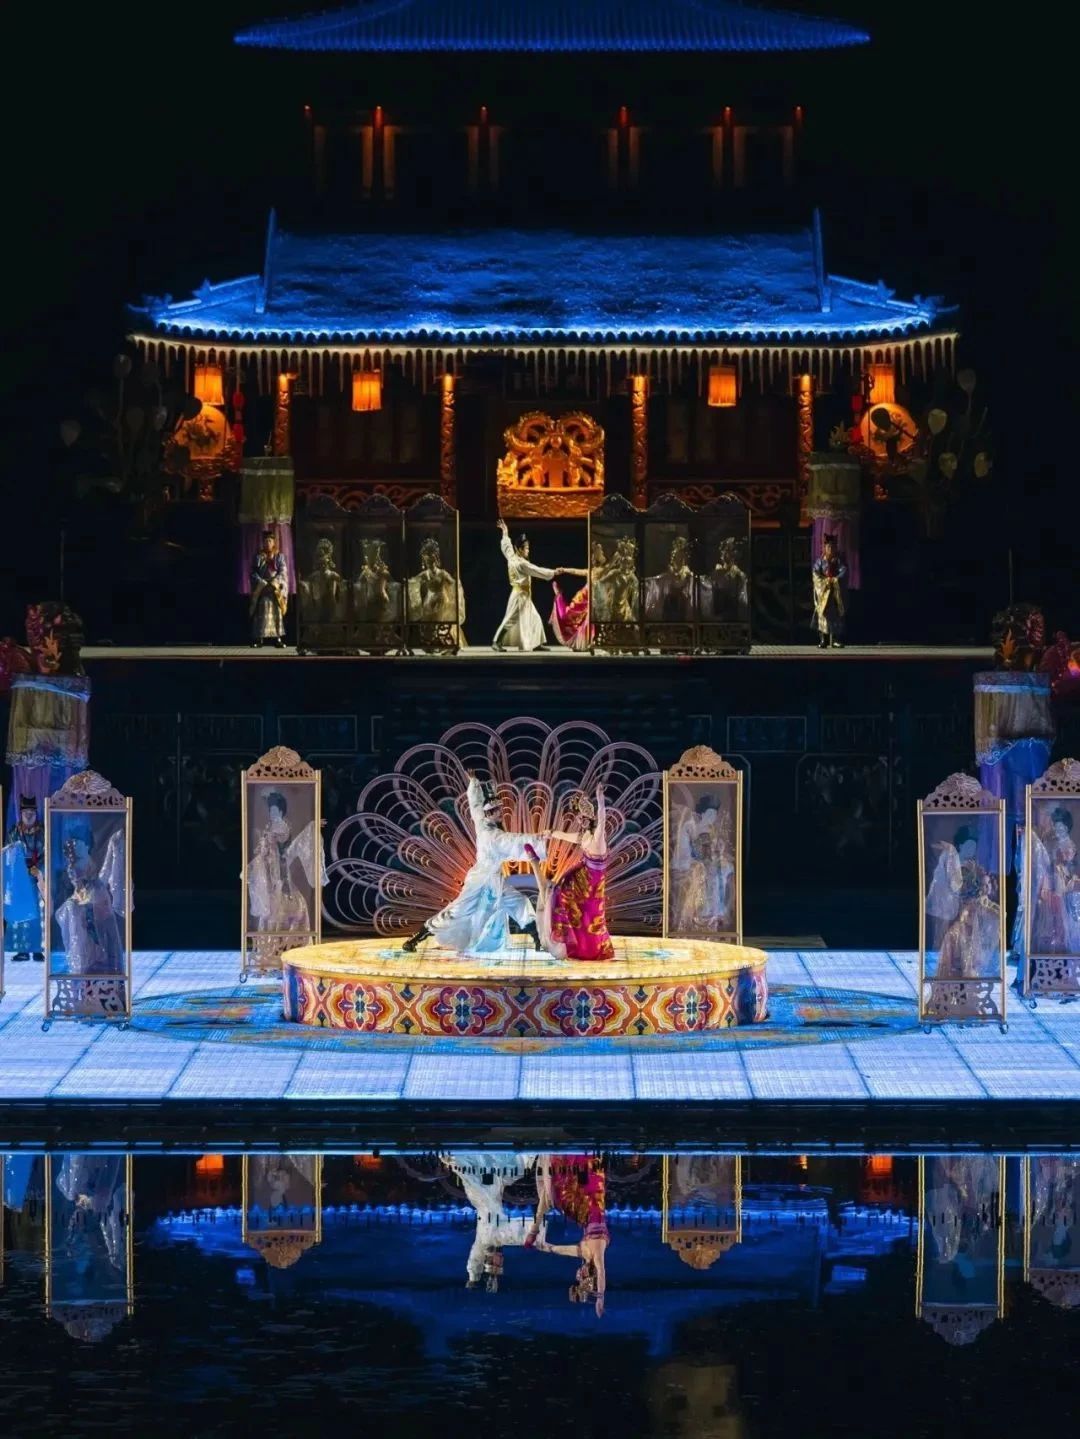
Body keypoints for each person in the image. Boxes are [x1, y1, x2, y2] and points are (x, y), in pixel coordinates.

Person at [402, 773, 548, 953]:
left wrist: (474, 783)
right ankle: (417, 937)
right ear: (490, 813)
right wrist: (539, 838)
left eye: (500, 809)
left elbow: (475, 805)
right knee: (457, 912)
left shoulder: (483, 823)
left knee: (519, 903)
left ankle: (538, 940)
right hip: (480, 882)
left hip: (494, 880)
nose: (501, 813)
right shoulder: (494, 836)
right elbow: (516, 840)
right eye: (497, 811)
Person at [526, 787, 613, 961]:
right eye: (579, 818)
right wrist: (550, 833)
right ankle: (564, 944)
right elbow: (565, 836)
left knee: (590, 917)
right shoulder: (584, 837)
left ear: (590, 817)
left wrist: (600, 800)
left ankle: (586, 950)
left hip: (593, 887)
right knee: (559, 896)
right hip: (581, 880)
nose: (581, 821)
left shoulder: (598, 837)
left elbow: (602, 819)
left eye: (583, 818)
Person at [525, 1154, 609, 1317]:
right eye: (580, 1277)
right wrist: (600, 1298)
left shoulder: (585, 1254)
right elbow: (601, 1272)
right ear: (588, 1275)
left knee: (553, 1198)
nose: (578, 1274)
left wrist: (546, 1248)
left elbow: (562, 1250)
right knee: (557, 1195)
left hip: (582, 1214)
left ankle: (534, 1230)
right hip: (590, 1204)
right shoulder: (597, 1251)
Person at [440, 1152, 539, 1289]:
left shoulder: (486, 1239)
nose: (501, 1260)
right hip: (492, 1186)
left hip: (483, 1193)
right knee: (513, 1170)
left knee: (473, 1172)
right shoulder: (498, 1237)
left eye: (498, 1262)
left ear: (489, 1260)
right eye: (500, 1263)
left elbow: (476, 1256)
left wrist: (473, 1278)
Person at [247, 789, 322, 965]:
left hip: (279, 868)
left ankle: (283, 945)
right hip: (270, 868)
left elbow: (280, 845)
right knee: (272, 905)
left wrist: (268, 842)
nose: (272, 813)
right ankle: (272, 947)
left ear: (280, 811)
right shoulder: (272, 825)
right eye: (270, 810)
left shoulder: (281, 826)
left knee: (281, 905)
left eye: (274, 810)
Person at [925, 825, 1001, 979]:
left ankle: (969, 972)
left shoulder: (973, 866)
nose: (972, 849)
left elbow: (983, 891)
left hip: (971, 914)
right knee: (958, 942)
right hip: (960, 914)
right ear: (961, 846)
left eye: (974, 846)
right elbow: (955, 888)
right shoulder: (957, 867)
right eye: (969, 845)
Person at [55, 820, 125, 975]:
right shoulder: (78, 890)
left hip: (100, 955)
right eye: (69, 864)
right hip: (84, 955)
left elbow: (102, 925)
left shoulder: (97, 888)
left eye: (76, 862)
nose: (71, 868)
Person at [492, 518, 558, 652]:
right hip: (519, 596)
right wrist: (553, 572)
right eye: (526, 548)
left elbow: (506, 547)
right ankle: (496, 642)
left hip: (523, 595)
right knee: (510, 619)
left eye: (528, 548)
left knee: (535, 617)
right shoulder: (522, 563)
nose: (528, 550)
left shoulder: (512, 557)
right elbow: (537, 570)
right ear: (519, 549)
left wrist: (505, 532)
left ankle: (536, 643)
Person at [3, 795, 45, 961]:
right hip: (19, 878)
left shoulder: (42, 831)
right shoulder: (14, 832)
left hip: (36, 877)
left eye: (31, 812)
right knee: (20, 912)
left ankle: (37, 949)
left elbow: (47, 852)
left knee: (36, 914)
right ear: (21, 814)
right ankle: (22, 950)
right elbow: (9, 853)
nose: (28, 815)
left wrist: (38, 869)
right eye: (25, 812)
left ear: (35, 814)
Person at [250, 528, 289, 647]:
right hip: (262, 588)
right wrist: (261, 582)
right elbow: (253, 572)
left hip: (274, 589)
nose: (267, 543)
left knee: (277, 610)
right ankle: (259, 639)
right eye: (265, 541)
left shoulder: (279, 556)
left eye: (270, 541)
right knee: (262, 608)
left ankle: (278, 639)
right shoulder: (258, 556)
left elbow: (283, 572)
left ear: (273, 542)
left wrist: (274, 583)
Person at [812, 533, 847, 650]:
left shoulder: (838, 561)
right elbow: (815, 574)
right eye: (828, 547)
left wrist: (836, 579)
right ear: (825, 548)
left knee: (836, 616)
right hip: (824, 593)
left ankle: (835, 640)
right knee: (822, 616)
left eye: (833, 547)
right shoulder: (820, 561)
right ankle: (823, 639)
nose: (830, 549)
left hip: (834, 594)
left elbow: (843, 571)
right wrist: (825, 581)